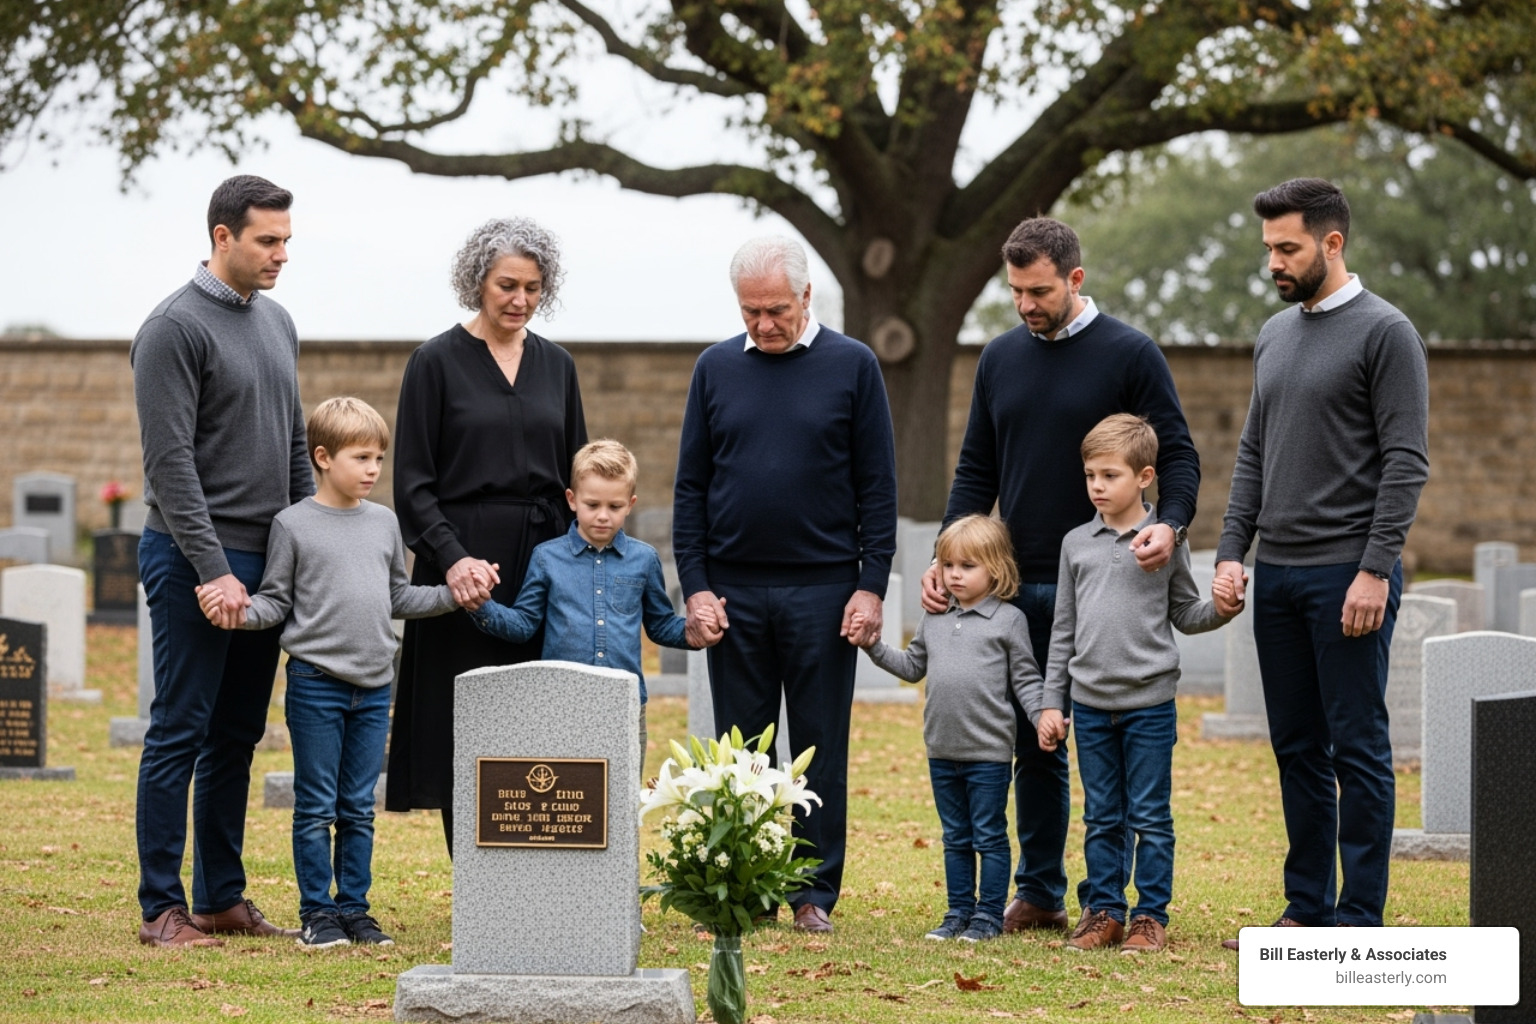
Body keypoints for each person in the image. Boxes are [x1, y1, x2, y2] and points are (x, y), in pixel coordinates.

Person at [922, 216, 1202, 933]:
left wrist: (1168, 524)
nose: (1025, 305)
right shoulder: (998, 358)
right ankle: (1041, 891)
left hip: (1105, 583)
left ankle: (1125, 903)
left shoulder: (1131, 353)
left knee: (1118, 753)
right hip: (1011, 586)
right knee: (1032, 744)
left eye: (1038, 290)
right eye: (1015, 291)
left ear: (1075, 279)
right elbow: (975, 467)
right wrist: (944, 558)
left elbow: (1177, 457)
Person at [1214, 178, 1429, 946]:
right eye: (1269, 247)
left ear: (1332, 243)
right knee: (1296, 746)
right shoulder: (1275, 333)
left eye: (1288, 247)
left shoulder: (1386, 332)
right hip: (1277, 576)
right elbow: (1253, 452)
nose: (1273, 260)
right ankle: (1307, 904)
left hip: (1349, 575)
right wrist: (1233, 549)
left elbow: (1406, 460)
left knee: (1357, 746)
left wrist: (1375, 568)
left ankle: (1359, 916)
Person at [673, 235, 898, 933]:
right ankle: (743, 881)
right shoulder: (714, 369)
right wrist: (696, 585)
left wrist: (871, 585)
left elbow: (877, 488)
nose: (764, 324)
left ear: (806, 297)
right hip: (733, 592)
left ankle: (811, 893)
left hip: (825, 590)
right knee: (740, 750)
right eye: (750, 312)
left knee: (818, 746)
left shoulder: (854, 366)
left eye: (776, 309)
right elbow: (691, 488)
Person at [197, 397, 471, 948]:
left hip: (374, 688)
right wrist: (239, 613)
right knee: (316, 806)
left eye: (378, 458)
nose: (373, 470)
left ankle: (355, 910)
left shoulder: (385, 523)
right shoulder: (292, 525)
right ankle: (318, 914)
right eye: (361, 457)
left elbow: (397, 595)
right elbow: (276, 601)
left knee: (358, 808)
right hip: (316, 687)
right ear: (323, 457)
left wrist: (454, 595)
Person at [131, 174, 309, 947]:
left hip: (265, 563)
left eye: (287, 242)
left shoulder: (278, 323)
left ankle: (220, 897)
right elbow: (170, 467)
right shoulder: (173, 328)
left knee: (236, 734)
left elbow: (296, 447)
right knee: (180, 726)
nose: (280, 255)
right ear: (222, 236)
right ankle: (160, 908)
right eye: (267, 240)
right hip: (191, 557)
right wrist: (213, 570)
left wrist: (305, 549)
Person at [387, 217, 588, 856]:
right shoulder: (434, 362)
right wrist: (451, 561)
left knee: (541, 722)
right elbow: (414, 484)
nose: (519, 299)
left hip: (545, 561)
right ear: (478, 281)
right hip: (461, 562)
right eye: (507, 284)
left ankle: (542, 869)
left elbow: (577, 470)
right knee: (463, 728)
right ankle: (477, 880)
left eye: (532, 287)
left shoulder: (558, 366)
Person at [1032, 414, 1234, 953]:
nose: (1097, 486)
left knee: (1149, 815)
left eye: (1109, 476)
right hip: (1091, 706)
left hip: (1149, 704)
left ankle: (1149, 917)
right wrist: (1052, 701)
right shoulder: (1076, 543)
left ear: (1145, 477)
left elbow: (1187, 613)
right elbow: (1063, 631)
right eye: (1090, 475)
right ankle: (1103, 912)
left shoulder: (1165, 542)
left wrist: (1221, 609)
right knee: (1101, 816)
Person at [467, 439, 697, 775]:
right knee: (569, 805)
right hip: (561, 703)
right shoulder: (547, 557)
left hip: (626, 703)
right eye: (592, 505)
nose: (603, 516)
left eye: (615, 507)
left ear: (631, 504)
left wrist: (696, 629)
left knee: (621, 804)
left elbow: (661, 625)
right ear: (572, 500)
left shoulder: (644, 559)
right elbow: (524, 625)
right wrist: (482, 607)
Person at [860, 515, 1041, 944]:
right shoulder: (934, 617)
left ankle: (988, 917)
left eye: (967, 566)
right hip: (941, 749)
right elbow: (911, 666)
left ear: (995, 568)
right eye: (947, 565)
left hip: (989, 753)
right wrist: (872, 646)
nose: (954, 574)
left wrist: (1042, 715)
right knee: (955, 837)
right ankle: (958, 912)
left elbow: (1027, 680)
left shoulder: (1009, 621)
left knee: (989, 836)